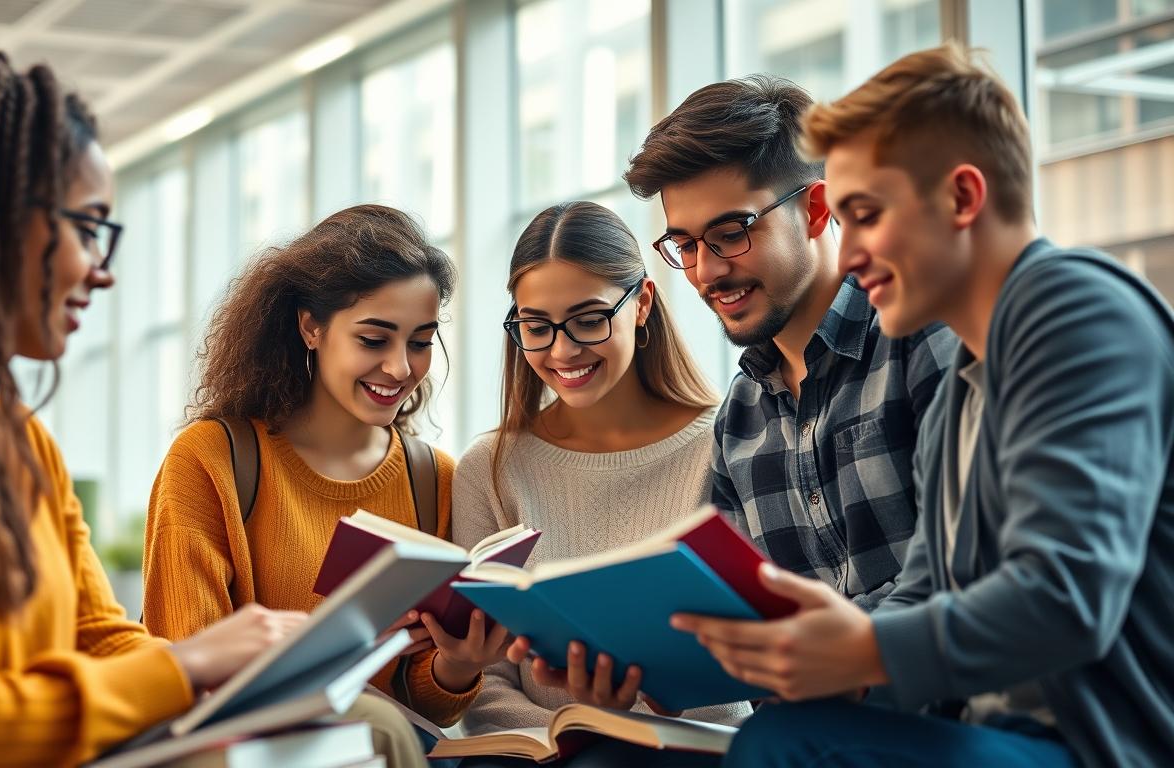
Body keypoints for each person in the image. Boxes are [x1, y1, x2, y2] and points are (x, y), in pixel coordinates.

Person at [672, 42, 1174, 768]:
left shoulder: (1075, 310)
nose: (845, 257)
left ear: (963, 198)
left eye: (866, 215)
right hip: (997, 735)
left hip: (1102, 747)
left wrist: (861, 648)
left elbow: (1067, 597)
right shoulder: (969, 379)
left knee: (787, 745)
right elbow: (923, 592)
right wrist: (809, 651)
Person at [0, 45, 316, 766]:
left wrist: (230, 675)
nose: (104, 270)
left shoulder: (20, 440)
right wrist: (184, 668)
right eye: (88, 228)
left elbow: (99, 635)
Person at [141, 205, 505, 738]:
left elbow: (427, 707)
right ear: (311, 327)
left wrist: (458, 665)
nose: (401, 368)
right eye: (374, 340)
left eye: (421, 341)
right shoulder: (211, 460)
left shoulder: (434, 479)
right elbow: (186, 658)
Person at [624, 76, 957, 609]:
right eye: (684, 245)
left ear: (817, 210)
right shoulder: (740, 416)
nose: (706, 271)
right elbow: (749, 618)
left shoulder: (924, 340)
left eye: (731, 232)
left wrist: (820, 649)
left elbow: (972, 576)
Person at [451, 201, 751, 762]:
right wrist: (578, 729)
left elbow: (754, 662)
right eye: (536, 327)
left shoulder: (731, 441)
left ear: (641, 304)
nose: (563, 351)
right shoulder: (490, 467)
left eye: (589, 319)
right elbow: (485, 681)